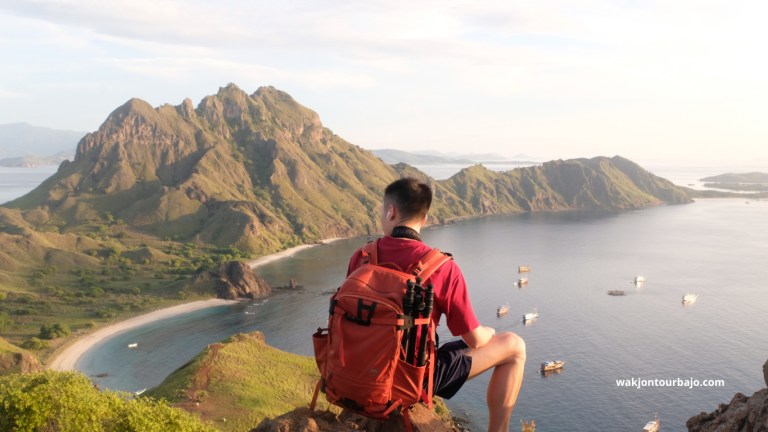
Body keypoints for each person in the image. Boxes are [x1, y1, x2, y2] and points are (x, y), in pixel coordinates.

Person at [346, 178, 526, 432]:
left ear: (391, 211)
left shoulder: (361, 256)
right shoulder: (442, 267)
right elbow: (474, 340)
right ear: (425, 218)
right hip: (408, 382)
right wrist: (490, 331)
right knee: (515, 347)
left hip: (358, 374)